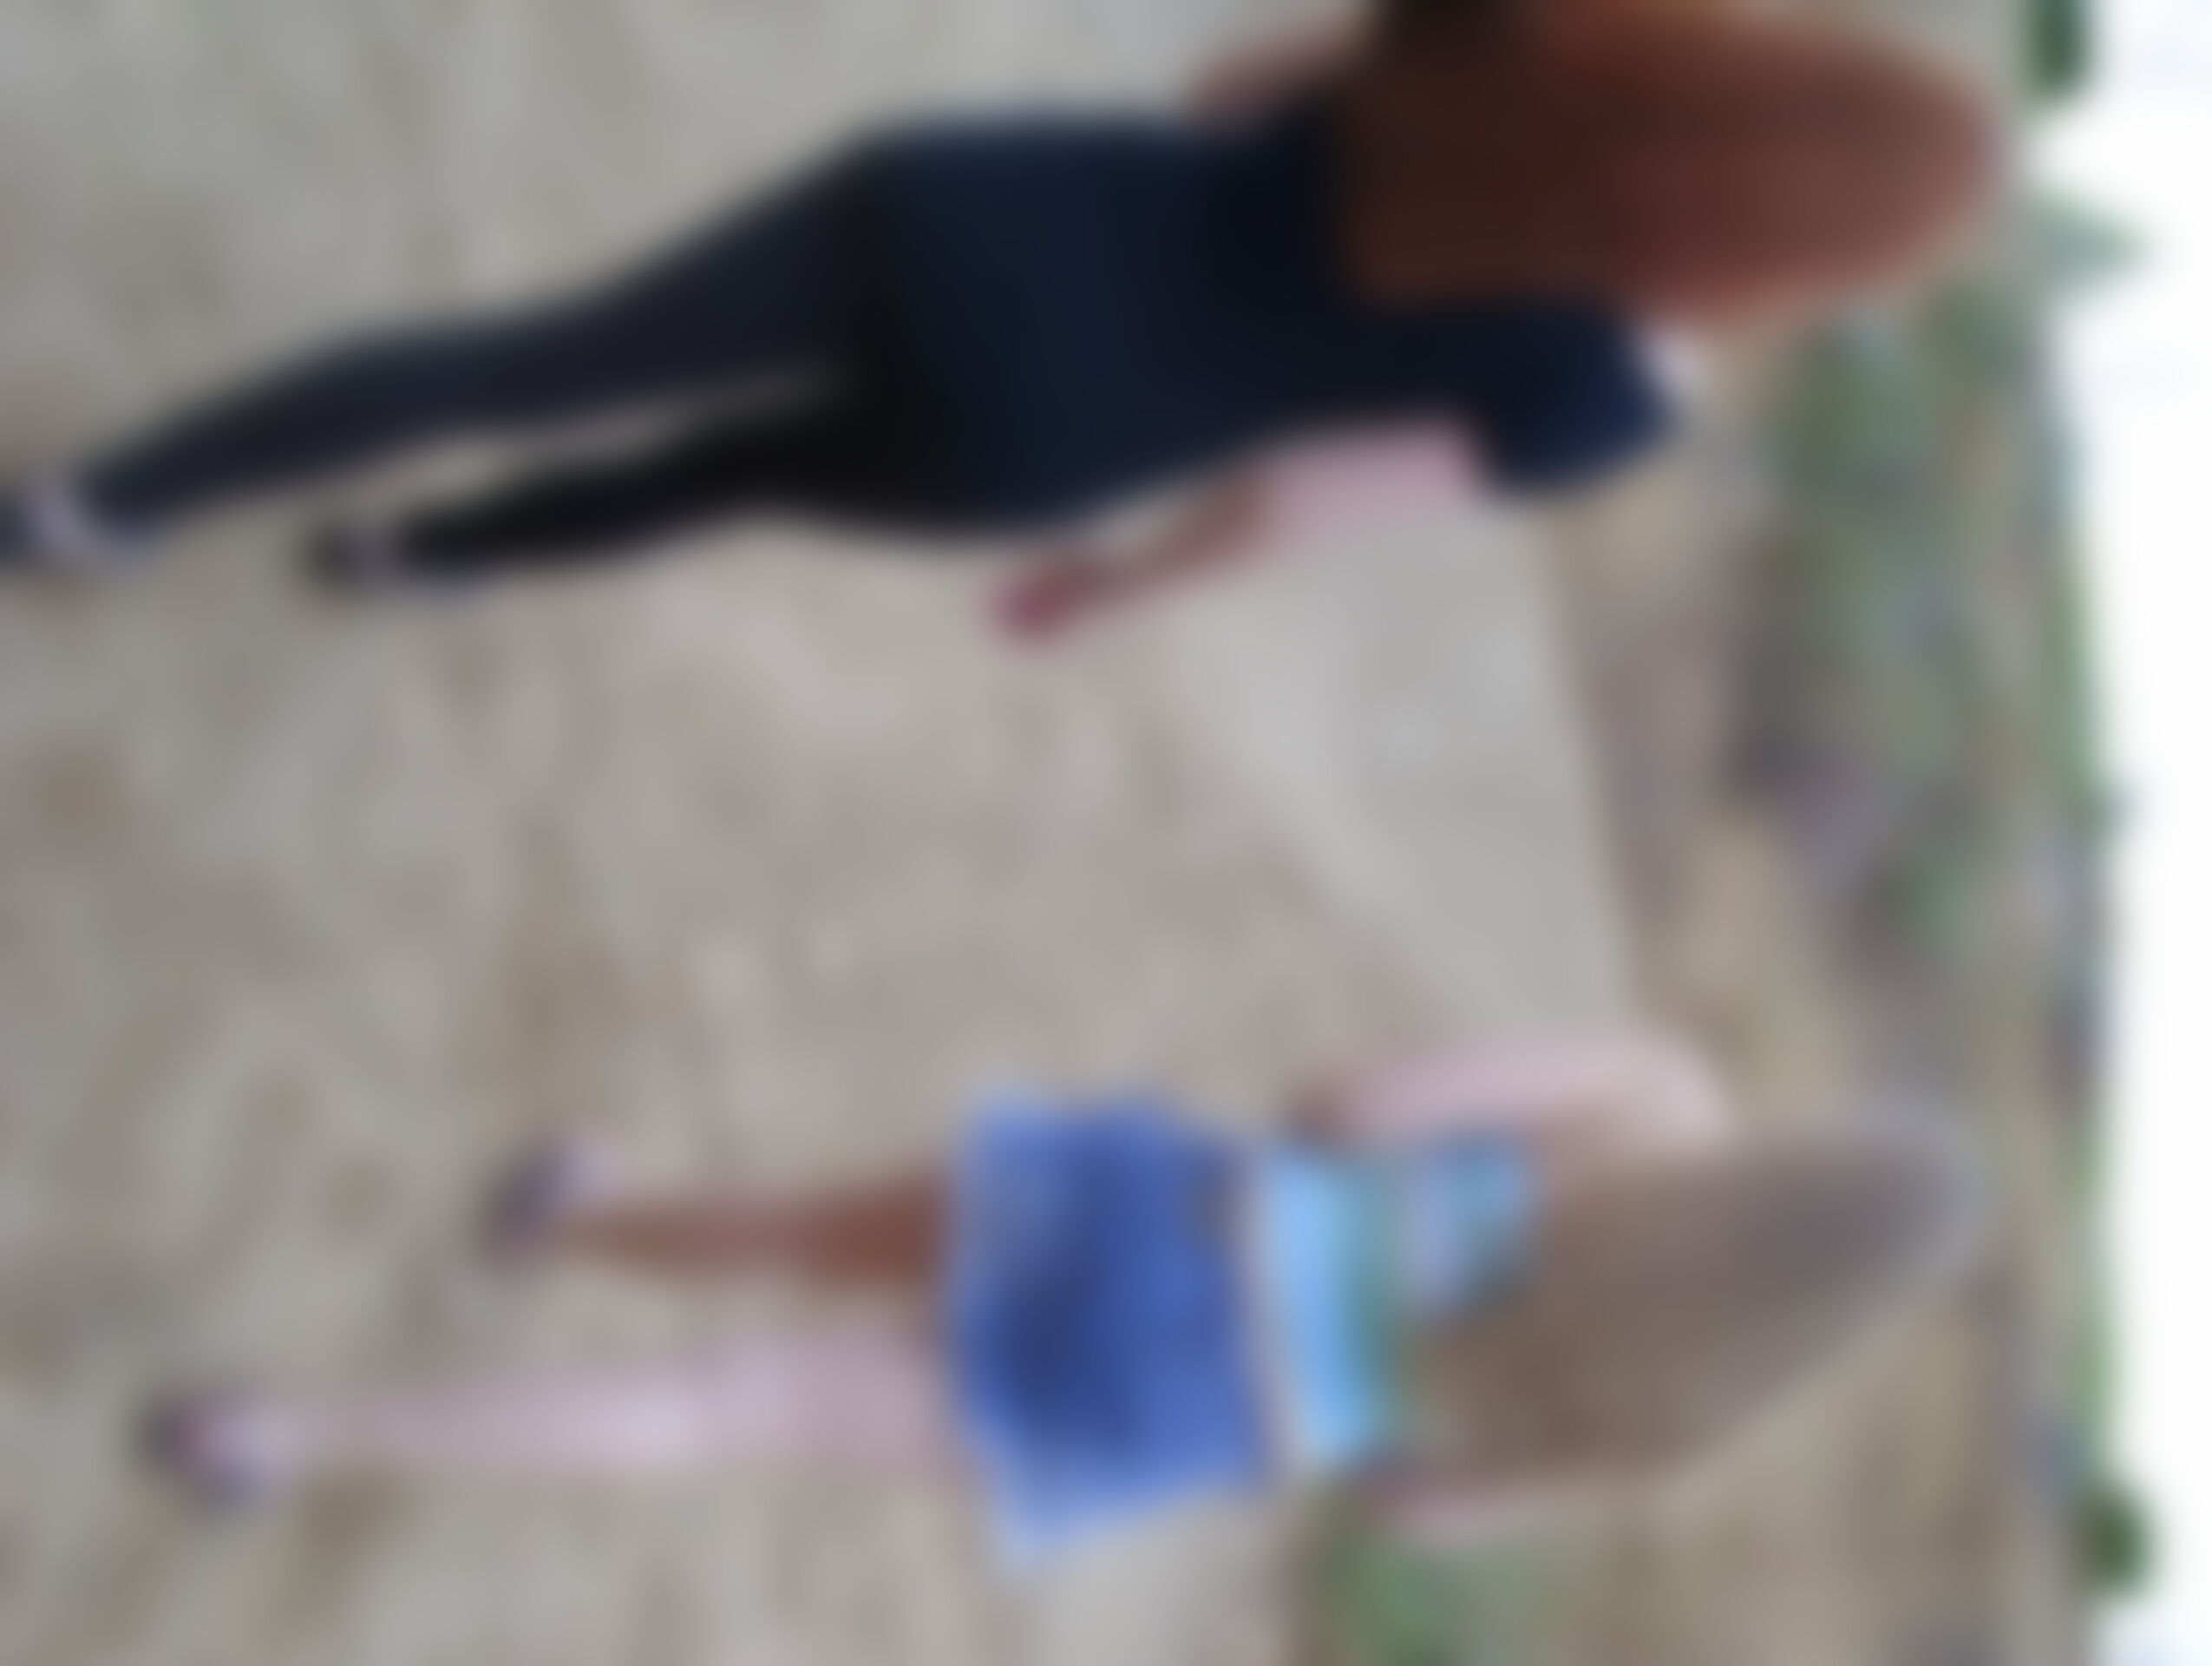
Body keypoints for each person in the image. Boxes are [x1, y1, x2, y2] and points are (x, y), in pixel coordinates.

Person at [2, 0, 1995, 639]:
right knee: (723, 476)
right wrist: (1120, 585)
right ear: (1811, 265)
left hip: (982, 222)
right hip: (1034, 437)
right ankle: (421, 559)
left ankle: (98, 507)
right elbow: (1295, 500)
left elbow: (1232, 90)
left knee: (535, 358)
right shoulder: (1613, 392)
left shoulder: (1542, 27)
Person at [143, 1032, 1983, 1570]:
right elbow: (1414, 1506)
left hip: (1185, 1222)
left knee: (805, 1231)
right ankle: (267, 1439)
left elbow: (1347, 1105)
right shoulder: (1681, 1419)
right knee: (719, 1418)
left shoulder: (1659, 1102)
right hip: (1191, 1416)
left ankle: (575, 1222)